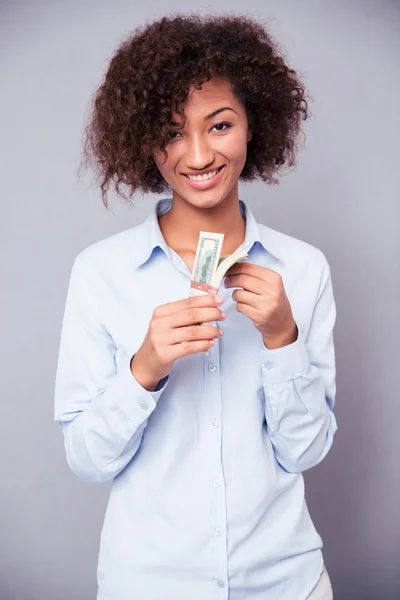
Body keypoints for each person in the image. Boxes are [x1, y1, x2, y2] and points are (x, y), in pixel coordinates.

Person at [54, 12, 337, 600]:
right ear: (142, 139)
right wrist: (145, 369)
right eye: (173, 130)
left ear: (255, 124)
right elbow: (86, 461)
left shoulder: (304, 270)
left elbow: (306, 450)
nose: (199, 153)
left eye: (220, 124)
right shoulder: (101, 272)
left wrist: (283, 338)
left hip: (285, 583)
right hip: (150, 586)